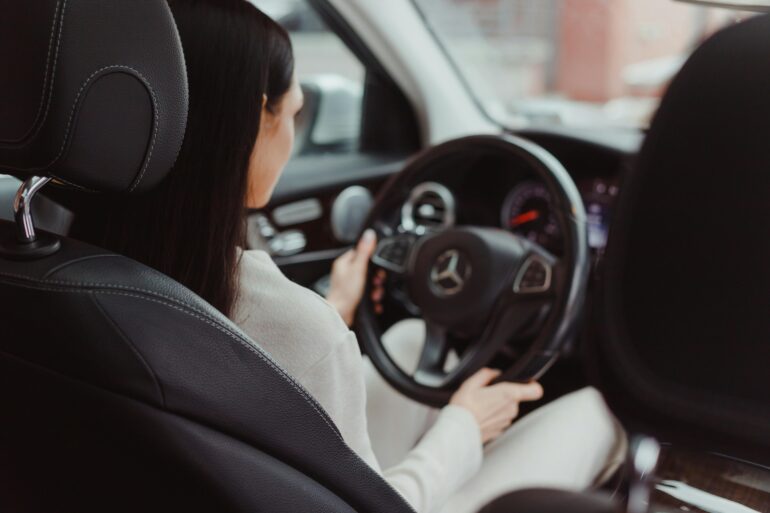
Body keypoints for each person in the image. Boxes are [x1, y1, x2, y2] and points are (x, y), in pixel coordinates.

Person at [71, 1, 625, 512]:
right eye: (295, 113)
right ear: (254, 124)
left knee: (411, 340)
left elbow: (256, 365)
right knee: (599, 415)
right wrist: (463, 427)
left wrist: (332, 308)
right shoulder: (301, 328)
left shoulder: (66, 268)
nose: (294, 133)